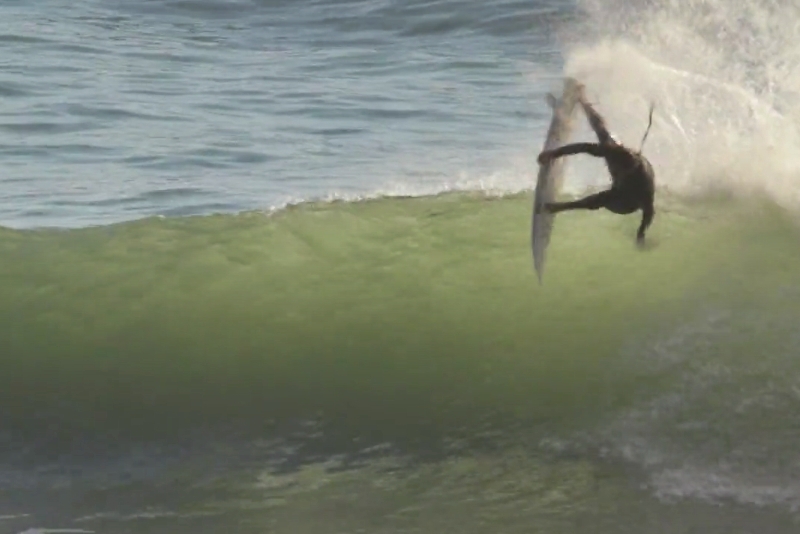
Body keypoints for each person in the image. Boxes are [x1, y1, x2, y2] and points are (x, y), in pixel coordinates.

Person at [537, 86, 656, 246]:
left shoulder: (643, 186)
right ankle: (583, 100)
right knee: (603, 133)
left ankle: (557, 208)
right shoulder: (614, 152)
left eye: (618, 168)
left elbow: (649, 213)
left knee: (604, 198)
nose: (612, 168)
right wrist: (554, 153)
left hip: (625, 203)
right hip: (623, 172)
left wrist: (640, 234)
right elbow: (585, 147)